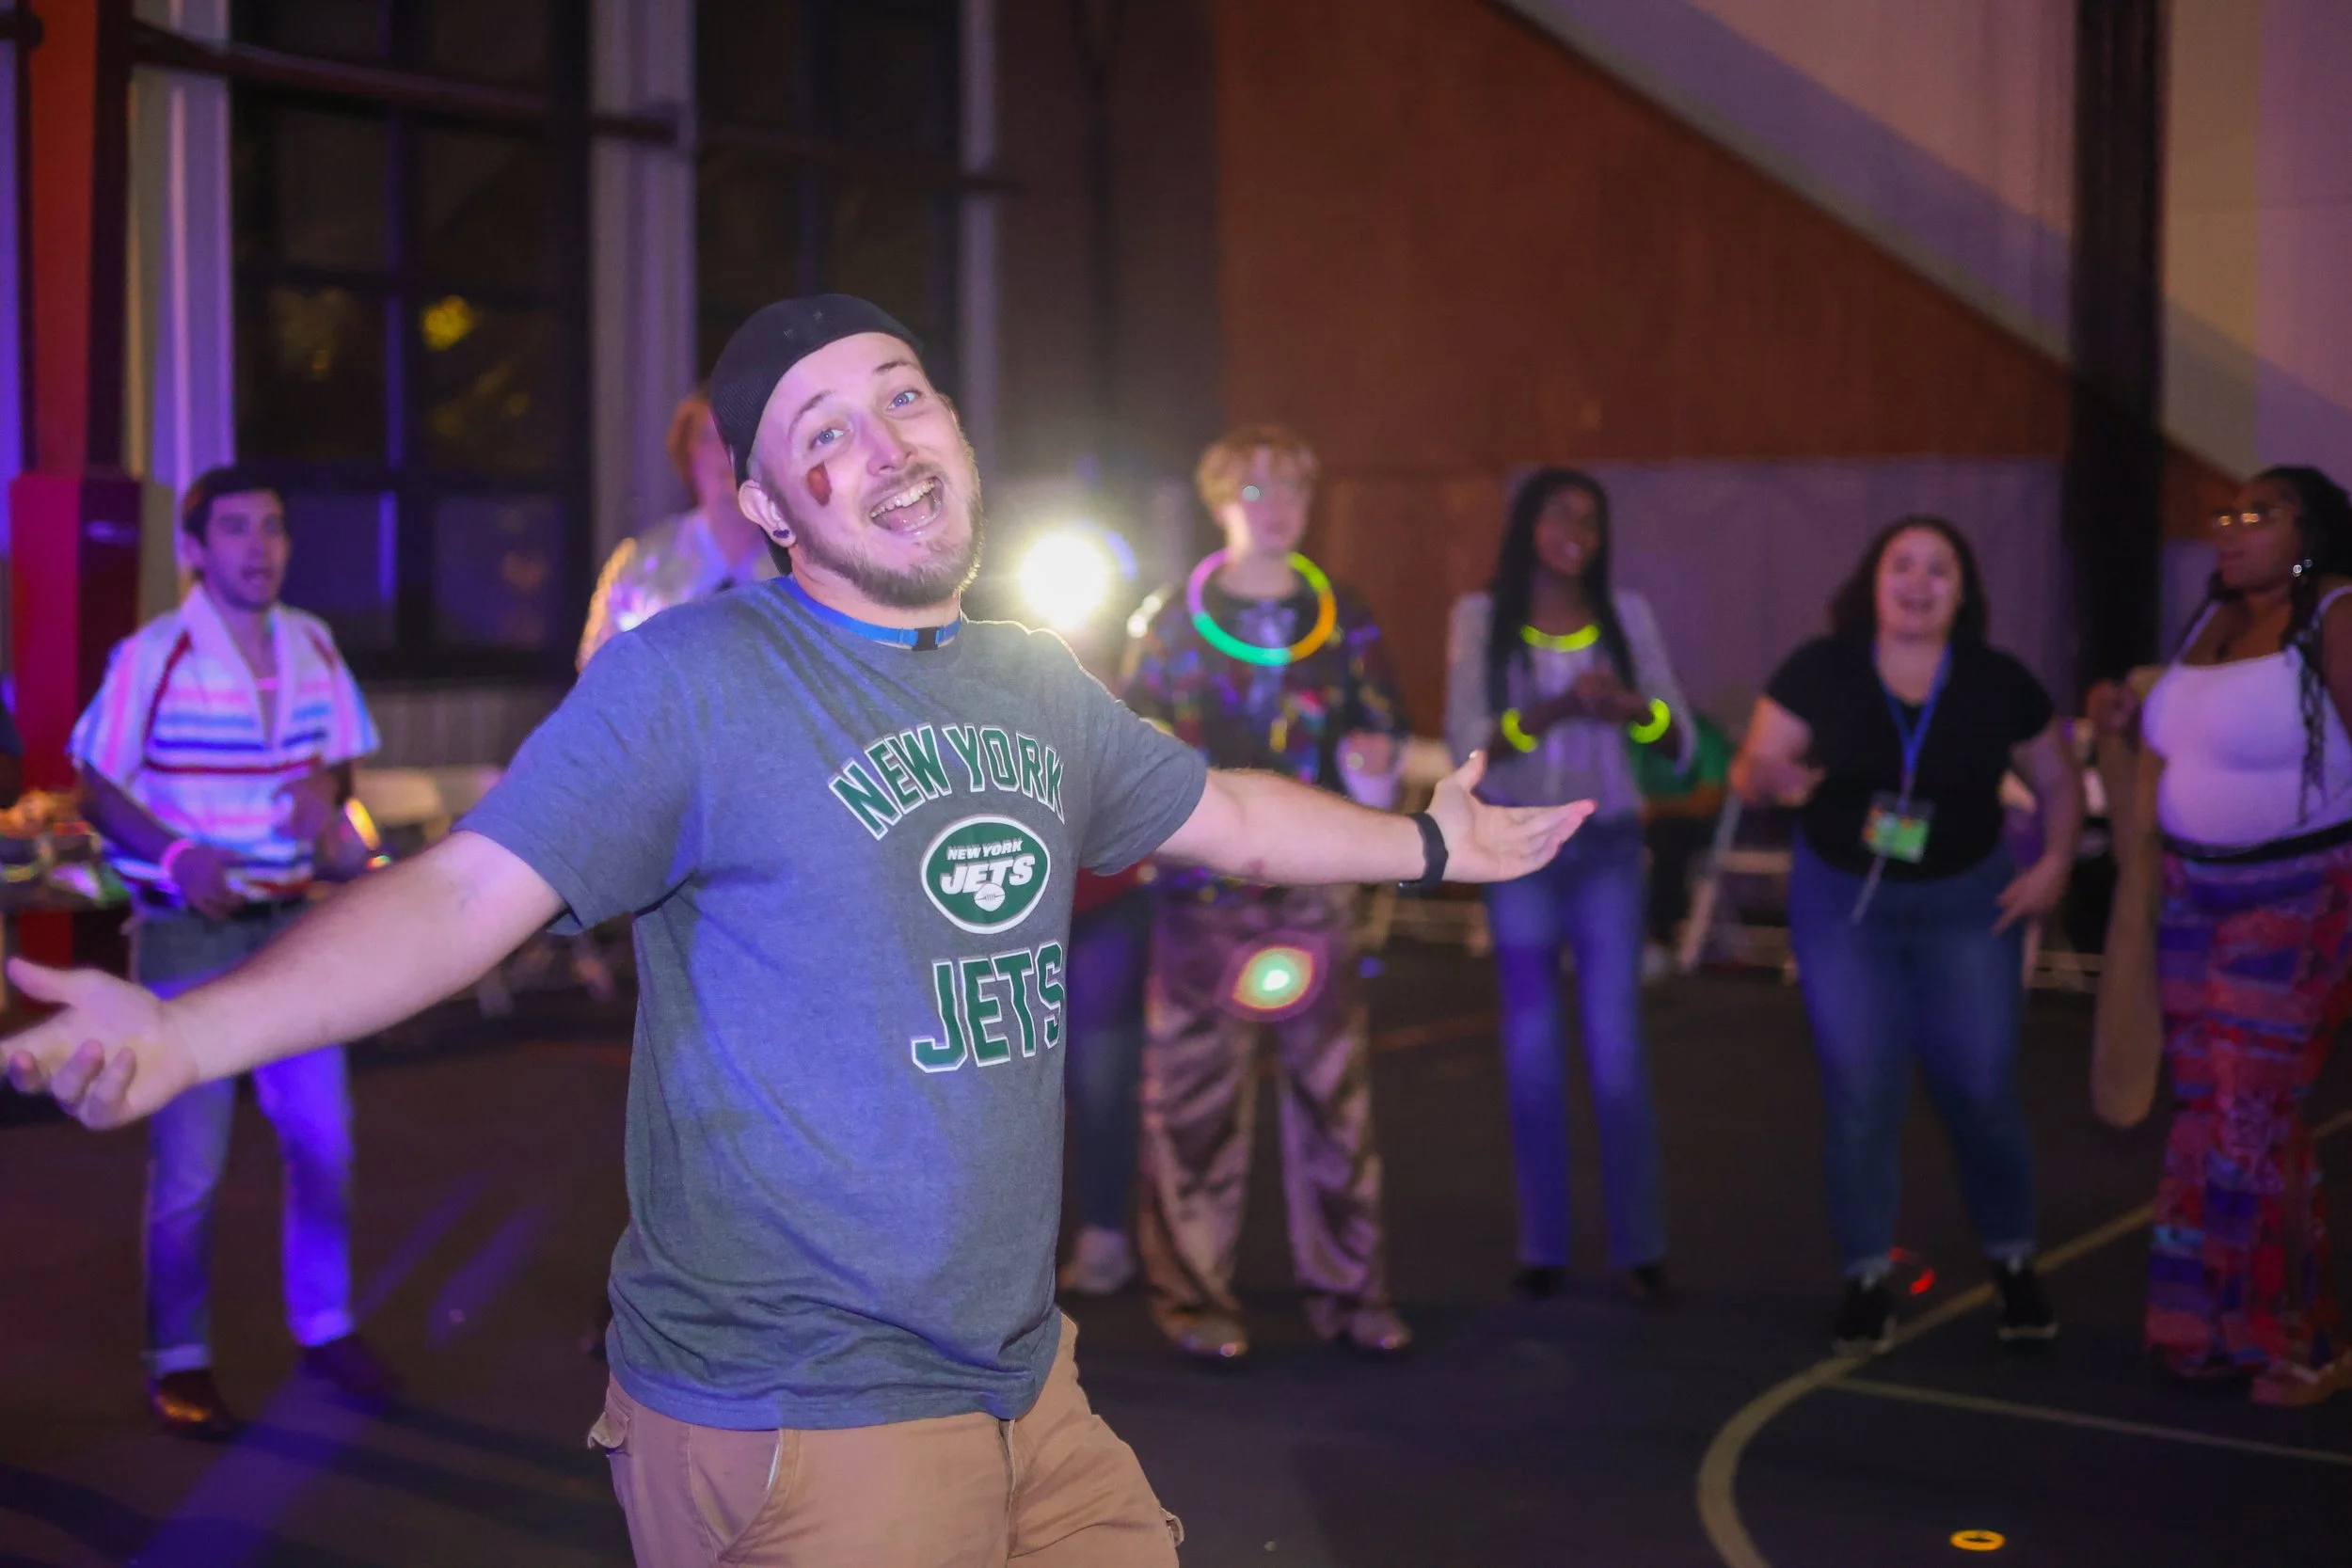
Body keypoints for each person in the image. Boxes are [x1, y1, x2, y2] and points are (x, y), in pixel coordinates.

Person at [6, 295, 1589, 1566]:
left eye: (906, 394)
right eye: (823, 431)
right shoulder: (692, 679)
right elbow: (465, 893)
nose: (889, 441)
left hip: (1023, 1380)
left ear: (961, 431)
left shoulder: (1032, 678)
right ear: (763, 503)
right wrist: (186, 1031)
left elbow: (1224, 813)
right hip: (802, 1410)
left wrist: (1437, 838)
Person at [65, 467, 393, 1438]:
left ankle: (326, 1324)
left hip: (296, 932)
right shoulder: (154, 653)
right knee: (191, 1165)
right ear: (197, 548)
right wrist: (172, 851)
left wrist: (327, 792)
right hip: (188, 931)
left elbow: (338, 760)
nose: (260, 545)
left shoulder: (314, 644)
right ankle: (179, 1356)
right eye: (238, 529)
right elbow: (92, 782)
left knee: (324, 1142)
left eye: (274, 527)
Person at [1731, 515, 2081, 1355]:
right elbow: (1753, 767)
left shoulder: (1998, 680)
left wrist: (2059, 860)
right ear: (1873, 580)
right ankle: (1863, 1277)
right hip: (1845, 905)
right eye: (1902, 565)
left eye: (1939, 569)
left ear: (1963, 592)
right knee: (1862, 1094)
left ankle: (2014, 1263)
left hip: (1970, 904)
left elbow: (2058, 775)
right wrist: (1771, 777)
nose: (1919, 582)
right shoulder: (1820, 669)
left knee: (1981, 1086)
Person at [1120, 425, 1415, 1366]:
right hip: (1200, 902)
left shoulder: (1346, 617)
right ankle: (1193, 1298)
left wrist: (1376, 773)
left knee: (1337, 1098)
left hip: (1312, 893)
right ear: (1218, 500)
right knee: (1193, 1104)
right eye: (1253, 487)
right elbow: (1130, 754)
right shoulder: (1170, 620)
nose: (1274, 502)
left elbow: (1380, 736)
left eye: (1289, 485)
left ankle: (1351, 1289)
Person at [2090, 465, 2352, 1405]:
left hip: (2297, 895)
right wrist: (2120, 717)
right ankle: (2204, 1323)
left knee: (2252, 1109)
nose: (2232, 527)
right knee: (2207, 1110)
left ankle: (2303, 1338)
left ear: (2310, 528)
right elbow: (2174, 741)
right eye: (2225, 512)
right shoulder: (2208, 624)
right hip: (2192, 894)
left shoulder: (2335, 614)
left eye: (2259, 513)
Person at [1443, 467, 1690, 1303]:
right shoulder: (1482, 619)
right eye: (1558, 511)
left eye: (1589, 516)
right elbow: (1465, 744)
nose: (1575, 528)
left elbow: (1677, 737)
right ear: (1527, 525)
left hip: (1610, 848)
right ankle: (1542, 1244)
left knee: (1617, 1049)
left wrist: (1627, 706)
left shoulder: (1628, 617)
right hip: (1518, 850)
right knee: (1533, 1049)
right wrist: (1542, 715)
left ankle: (1641, 1243)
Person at [577, 388, 780, 669]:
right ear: (689, 454)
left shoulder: (798, 564)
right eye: (709, 437)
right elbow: (598, 674)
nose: (724, 454)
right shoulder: (642, 564)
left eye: (737, 436)